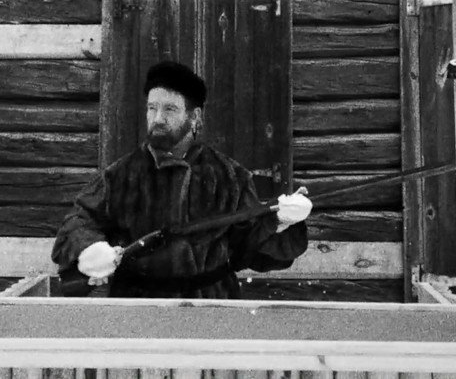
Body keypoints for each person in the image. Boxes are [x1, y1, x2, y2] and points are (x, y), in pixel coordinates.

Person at [52, 60, 310, 298]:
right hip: (136, 306)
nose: (157, 119)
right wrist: (91, 248)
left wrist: (280, 221)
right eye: (151, 108)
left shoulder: (229, 176)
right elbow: (77, 222)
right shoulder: (120, 175)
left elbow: (248, 249)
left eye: (170, 109)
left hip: (211, 305)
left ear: (194, 116)